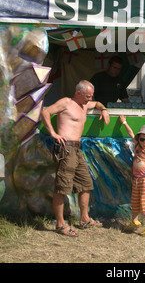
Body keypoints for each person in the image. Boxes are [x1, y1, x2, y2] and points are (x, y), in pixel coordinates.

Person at [41, 80, 110, 237]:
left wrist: (104, 109)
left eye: (91, 96)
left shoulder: (85, 104)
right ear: (78, 93)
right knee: (63, 186)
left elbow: (98, 103)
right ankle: (60, 224)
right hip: (65, 149)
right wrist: (53, 133)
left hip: (78, 149)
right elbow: (45, 112)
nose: (89, 99)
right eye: (87, 96)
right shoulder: (66, 102)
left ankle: (84, 218)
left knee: (86, 184)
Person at [119, 114, 145, 237]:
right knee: (135, 201)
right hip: (136, 180)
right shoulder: (137, 146)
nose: (144, 142)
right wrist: (124, 122)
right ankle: (135, 221)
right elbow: (131, 133)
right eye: (142, 139)